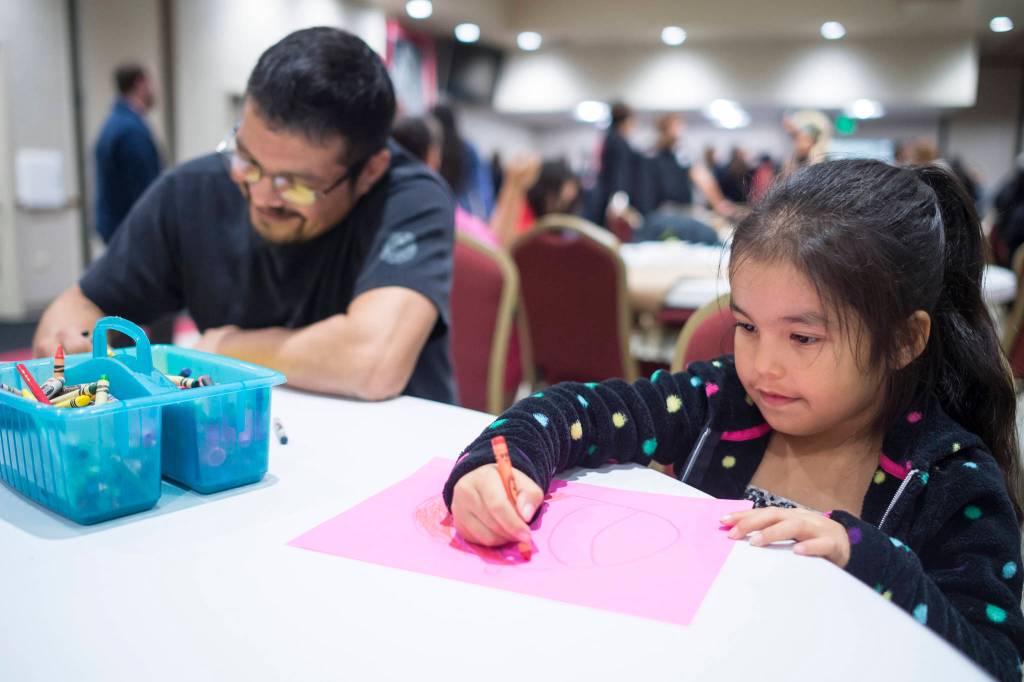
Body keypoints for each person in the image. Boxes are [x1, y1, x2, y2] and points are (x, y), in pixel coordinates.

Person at [442, 159, 1024, 680]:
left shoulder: (950, 479)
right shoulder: (722, 401)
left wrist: (868, 558)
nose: (762, 365)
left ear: (903, 339)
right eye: (746, 326)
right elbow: (576, 412)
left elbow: (995, 661)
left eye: (803, 337)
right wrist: (496, 468)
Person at [34, 27, 456, 404]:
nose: (260, 195)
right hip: (236, 451)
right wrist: (72, 343)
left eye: (295, 184)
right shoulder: (193, 191)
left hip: (398, 458)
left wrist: (221, 346)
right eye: (247, 161)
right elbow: (77, 307)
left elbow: (370, 362)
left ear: (370, 171)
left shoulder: (411, 199)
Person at [391, 115, 540, 249]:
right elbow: (494, 248)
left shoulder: (382, 207)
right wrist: (514, 185)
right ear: (433, 156)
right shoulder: (442, 212)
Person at [94, 63, 161, 244]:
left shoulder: (114, 122)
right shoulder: (131, 131)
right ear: (140, 84)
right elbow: (146, 189)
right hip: (130, 232)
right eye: (150, 84)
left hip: (115, 229)